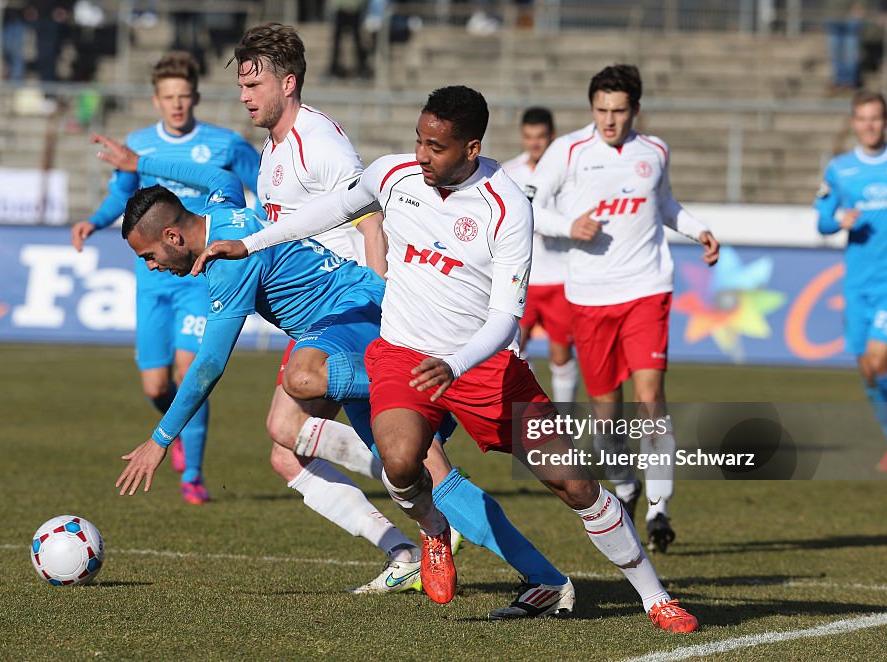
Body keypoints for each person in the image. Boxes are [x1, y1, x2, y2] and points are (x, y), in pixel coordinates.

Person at [192, 85, 700, 631]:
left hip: (483, 367)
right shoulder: (393, 176)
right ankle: (434, 531)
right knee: (401, 460)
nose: (421, 155)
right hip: (404, 355)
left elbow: (506, 317)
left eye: (436, 147)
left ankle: (654, 596)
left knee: (575, 482)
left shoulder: (506, 207)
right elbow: (333, 209)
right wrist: (251, 243)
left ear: (472, 147)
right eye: (418, 140)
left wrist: (456, 366)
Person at [103, 139, 576, 611]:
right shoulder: (223, 208)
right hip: (345, 337)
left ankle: (424, 391)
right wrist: (139, 163)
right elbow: (218, 176)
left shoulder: (230, 266)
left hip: (357, 312)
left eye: (149, 257)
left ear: (173, 237)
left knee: (302, 377)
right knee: (417, 467)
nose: (153, 268)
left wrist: (161, 439)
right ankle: (543, 578)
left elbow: (209, 365)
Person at [211, 22, 575, 604]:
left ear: (289, 81)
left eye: (253, 83)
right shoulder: (273, 148)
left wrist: (387, 300)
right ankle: (413, 546)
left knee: (366, 430)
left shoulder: (319, 144)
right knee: (290, 442)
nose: (244, 95)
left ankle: (452, 528)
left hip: (359, 311)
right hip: (329, 318)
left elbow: (371, 216)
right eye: (241, 85)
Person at [525, 64, 719, 554]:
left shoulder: (653, 152)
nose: (609, 120)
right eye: (601, 110)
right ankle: (626, 484)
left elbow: (666, 204)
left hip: (647, 289)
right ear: (592, 108)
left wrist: (698, 230)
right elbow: (528, 205)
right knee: (607, 415)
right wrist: (571, 225)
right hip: (589, 297)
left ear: (635, 110)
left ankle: (658, 508)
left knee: (651, 399)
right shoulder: (567, 151)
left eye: (618, 110)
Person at [70, 52, 261, 504]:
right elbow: (122, 193)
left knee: (188, 368)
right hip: (154, 280)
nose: (177, 105)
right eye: (169, 97)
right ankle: (177, 429)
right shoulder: (138, 146)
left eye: (184, 96)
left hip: (201, 275)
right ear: (157, 101)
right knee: (156, 384)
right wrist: (94, 222)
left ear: (194, 97)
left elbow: (267, 185)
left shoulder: (224, 144)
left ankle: (192, 474)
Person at [815, 90, 887, 472]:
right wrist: (839, 219)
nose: (869, 125)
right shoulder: (839, 169)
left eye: (876, 118)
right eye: (862, 119)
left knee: (880, 358)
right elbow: (822, 221)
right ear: (853, 123)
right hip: (858, 281)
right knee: (866, 368)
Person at [501, 107, 578, 406]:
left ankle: (566, 421)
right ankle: (536, 415)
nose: (534, 143)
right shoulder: (509, 172)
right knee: (515, 351)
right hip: (522, 277)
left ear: (552, 136)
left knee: (561, 353)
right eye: (529, 137)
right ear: (522, 136)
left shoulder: (567, 174)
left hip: (560, 277)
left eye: (541, 136)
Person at [823, 1, 866, 92]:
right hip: (832, 14)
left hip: (851, 14)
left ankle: (849, 81)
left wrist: (860, 5)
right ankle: (838, 80)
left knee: (850, 51)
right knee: (835, 52)